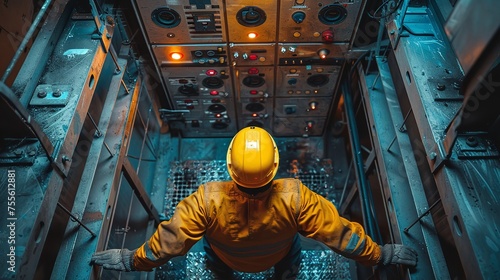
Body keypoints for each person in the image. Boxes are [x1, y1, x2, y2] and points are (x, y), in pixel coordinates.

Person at [91, 126, 418, 279]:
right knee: (291, 258)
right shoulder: (296, 196)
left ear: (229, 166)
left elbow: (168, 244)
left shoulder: (206, 200)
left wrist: (133, 260)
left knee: (213, 261)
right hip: (278, 256)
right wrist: (382, 253)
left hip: (226, 261)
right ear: (275, 164)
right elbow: (342, 235)